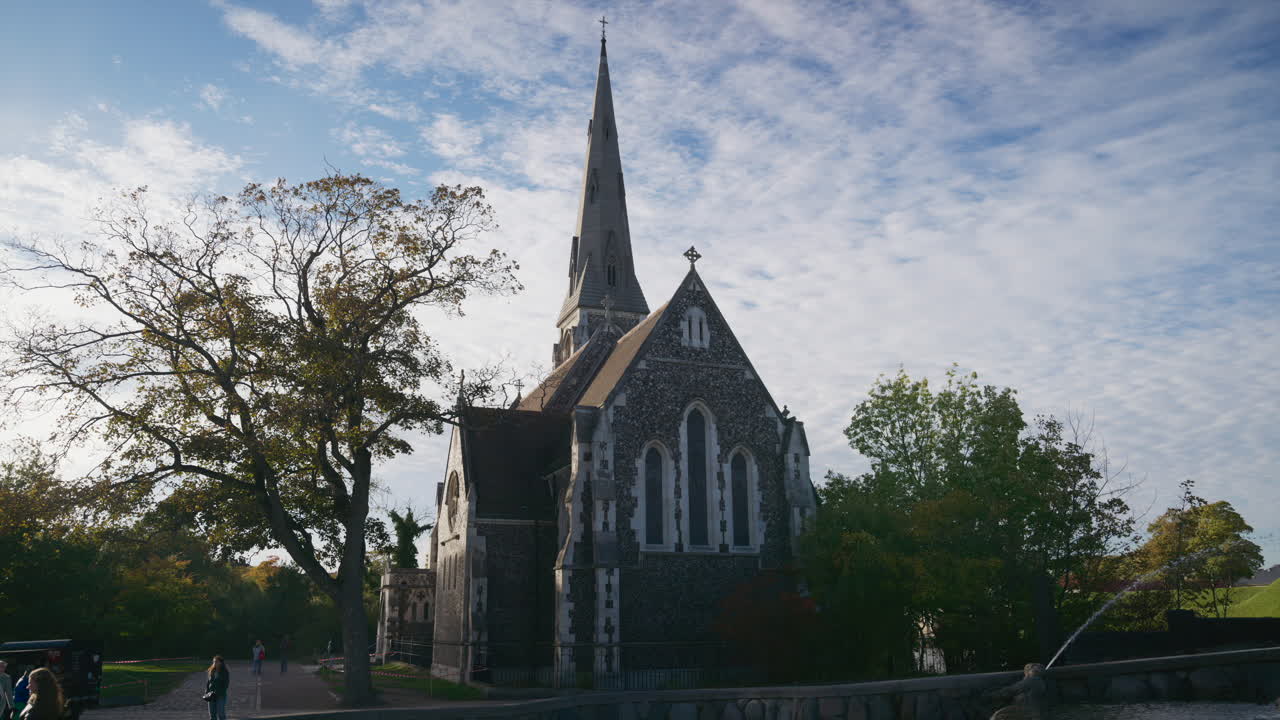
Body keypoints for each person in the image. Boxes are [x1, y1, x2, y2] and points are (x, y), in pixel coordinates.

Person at [205, 656, 229, 720]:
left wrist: (219, 692)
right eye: (214, 661)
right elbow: (208, 682)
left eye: (216, 661)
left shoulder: (224, 672)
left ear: (221, 662)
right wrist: (207, 692)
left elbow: (226, 685)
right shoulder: (211, 670)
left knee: (221, 714)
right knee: (212, 715)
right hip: (211, 695)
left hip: (220, 695)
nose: (214, 663)